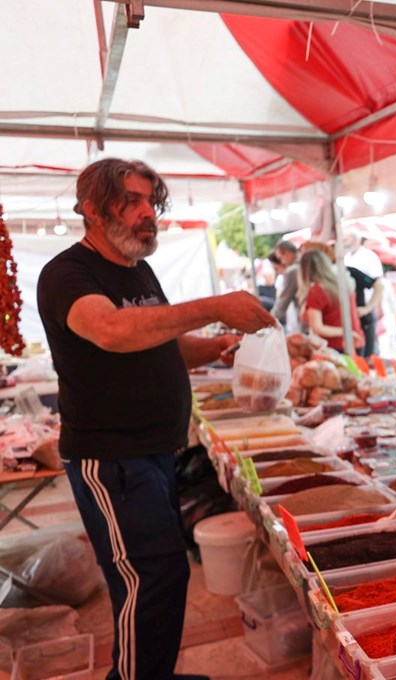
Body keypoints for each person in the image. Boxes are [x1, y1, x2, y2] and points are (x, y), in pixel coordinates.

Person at [36, 158, 277, 680]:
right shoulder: (67, 274)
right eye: (133, 201)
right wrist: (214, 305)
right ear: (93, 210)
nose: (149, 214)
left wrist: (216, 348)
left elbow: (159, 339)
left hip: (154, 452)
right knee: (148, 580)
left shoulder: (137, 269)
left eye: (152, 202)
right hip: (111, 457)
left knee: (164, 576)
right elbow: (112, 330)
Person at [298, 248, 365, 354]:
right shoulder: (344, 284)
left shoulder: (317, 290)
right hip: (355, 341)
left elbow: (317, 327)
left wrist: (346, 332)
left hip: (335, 347)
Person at [341, 229, 384, 356]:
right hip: (351, 317)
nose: (344, 243)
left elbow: (378, 284)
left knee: (368, 354)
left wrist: (369, 308)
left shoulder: (368, 257)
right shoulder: (346, 259)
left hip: (363, 313)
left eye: (346, 239)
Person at [270, 240, 300, 330]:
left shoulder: (292, 271)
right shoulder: (306, 262)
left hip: (308, 320)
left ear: (287, 253)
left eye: (280, 258)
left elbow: (283, 302)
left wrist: (268, 320)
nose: (282, 262)